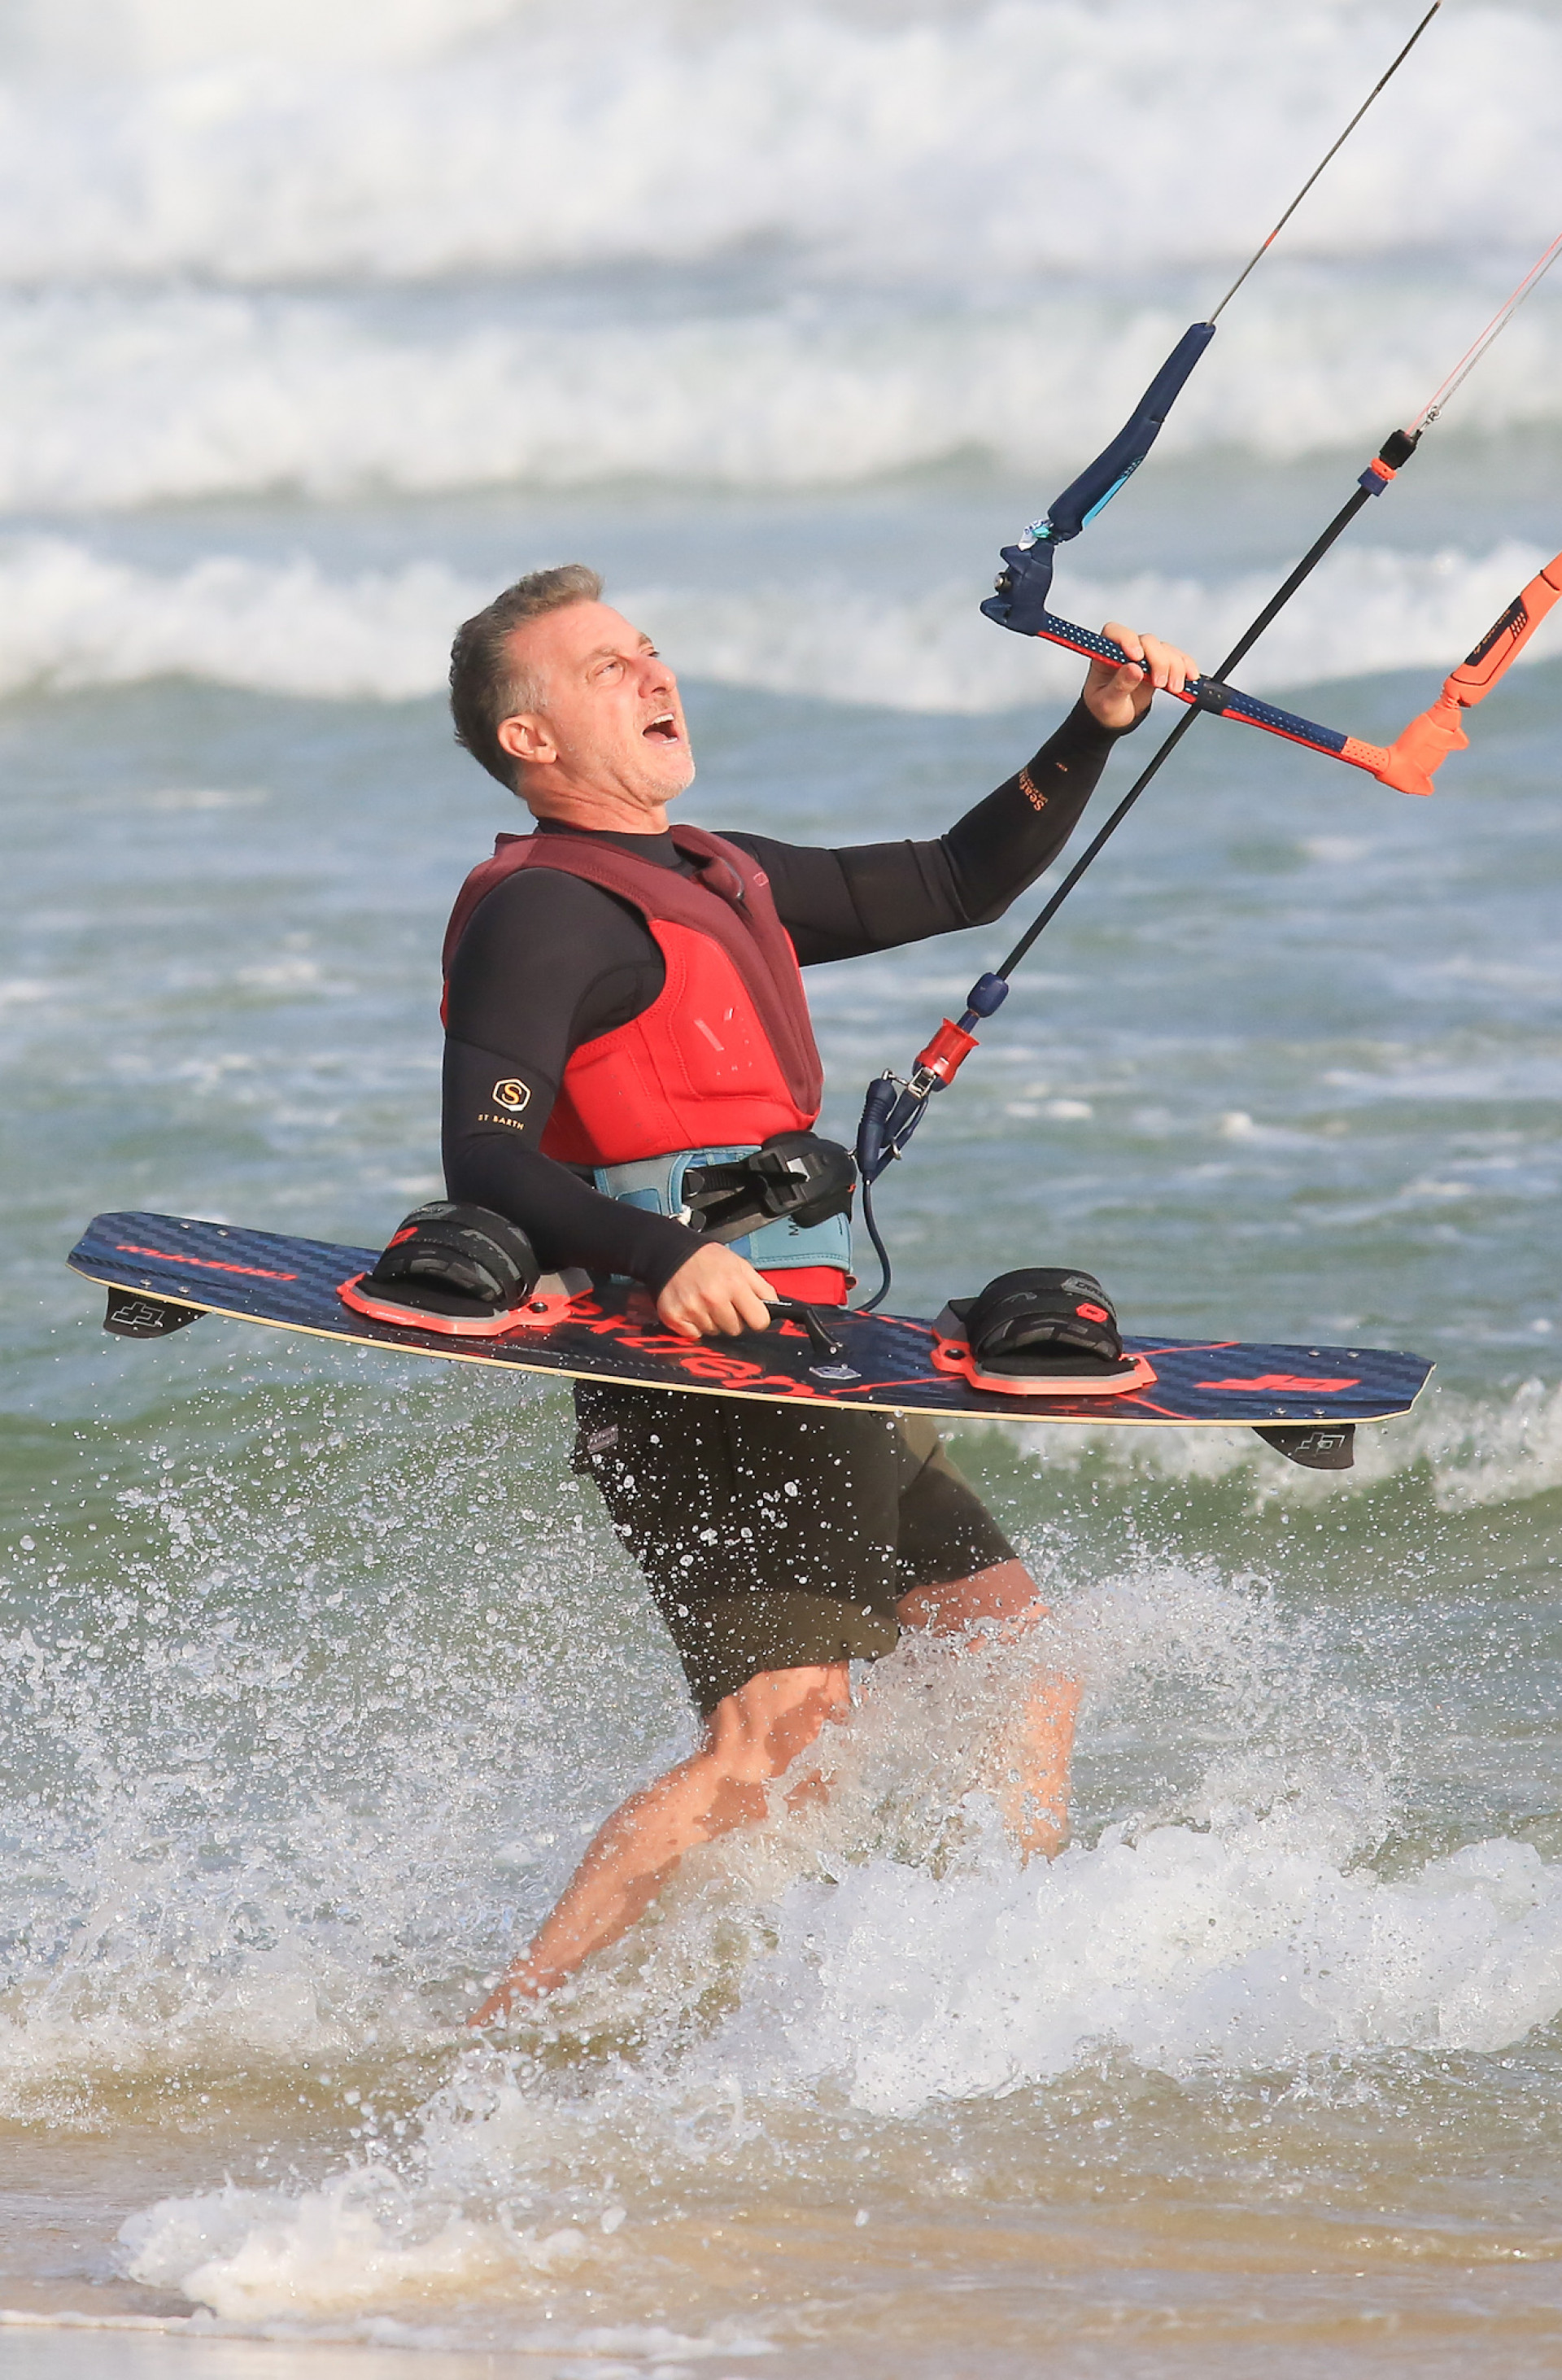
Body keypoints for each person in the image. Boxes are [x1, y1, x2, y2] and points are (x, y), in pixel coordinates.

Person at [441, 565, 1198, 2020]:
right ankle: (494, 2038)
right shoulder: (541, 915)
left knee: (1016, 1658)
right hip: (698, 1373)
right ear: (529, 739)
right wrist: (668, 1257)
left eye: (649, 649)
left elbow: (958, 878)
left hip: (816, 1353)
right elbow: (481, 1157)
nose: (652, 673)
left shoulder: (720, 872)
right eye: (606, 666)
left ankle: (988, 1985)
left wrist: (1092, 724)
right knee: (773, 1744)